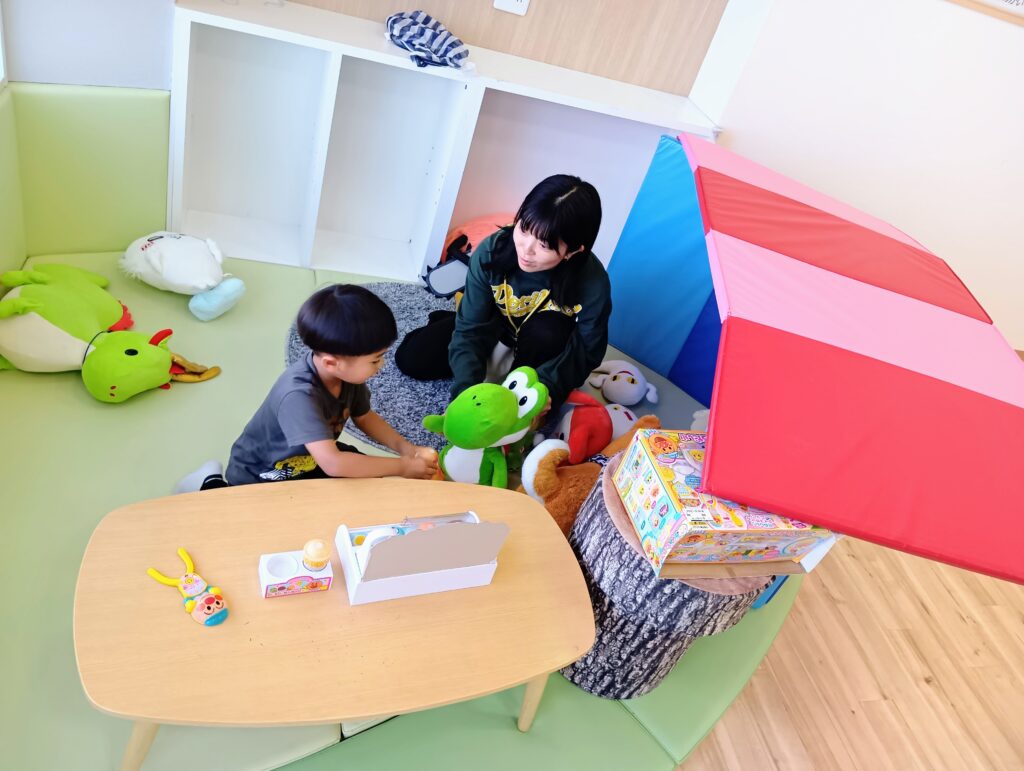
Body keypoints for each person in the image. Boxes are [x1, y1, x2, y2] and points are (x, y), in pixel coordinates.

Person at [176, 284, 438, 492]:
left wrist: (407, 449)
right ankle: (209, 482)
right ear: (332, 362)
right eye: (375, 359)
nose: (381, 366)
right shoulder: (298, 396)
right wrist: (402, 467)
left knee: (364, 482)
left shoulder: (346, 376)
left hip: (309, 461)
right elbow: (333, 463)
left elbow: (365, 417)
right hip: (261, 475)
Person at [396, 175, 610, 415]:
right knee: (411, 359)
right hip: (493, 327)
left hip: (542, 346)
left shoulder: (593, 282)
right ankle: (458, 333)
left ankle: (513, 374)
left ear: (573, 251)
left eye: (544, 245)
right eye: (524, 229)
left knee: (547, 335)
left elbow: (587, 351)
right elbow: (470, 328)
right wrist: (467, 394)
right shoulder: (491, 250)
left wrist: (546, 387)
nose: (526, 250)